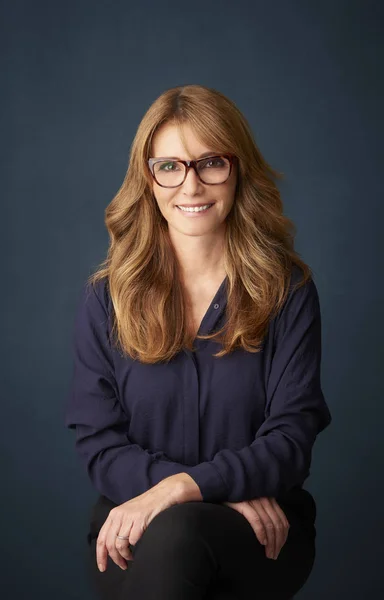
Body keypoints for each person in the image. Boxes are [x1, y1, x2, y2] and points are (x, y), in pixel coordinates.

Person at [65, 84, 332, 600]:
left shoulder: (288, 292)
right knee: (169, 540)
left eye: (210, 162)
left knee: (181, 534)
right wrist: (214, 490)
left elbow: (291, 439)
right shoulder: (106, 298)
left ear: (238, 170)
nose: (189, 186)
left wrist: (184, 490)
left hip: (261, 533)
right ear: (148, 177)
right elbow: (99, 444)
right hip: (131, 528)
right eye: (169, 166)